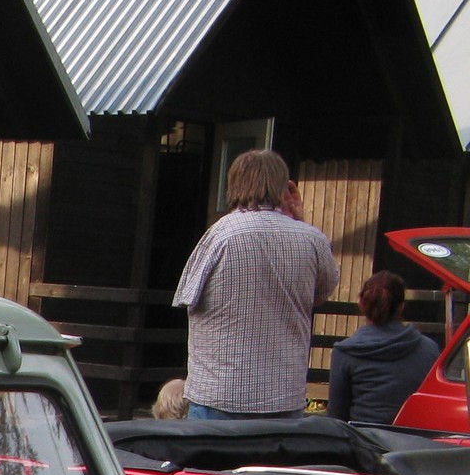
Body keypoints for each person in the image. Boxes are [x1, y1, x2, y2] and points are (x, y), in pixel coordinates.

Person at [172, 149, 338, 420]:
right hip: (283, 395)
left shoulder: (220, 234)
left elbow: (187, 298)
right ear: (283, 186)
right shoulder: (312, 239)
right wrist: (299, 221)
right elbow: (320, 294)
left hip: (220, 392)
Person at [327, 271, 438, 426]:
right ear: (401, 306)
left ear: (361, 304)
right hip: (413, 438)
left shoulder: (345, 353)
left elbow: (337, 417)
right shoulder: (429, 349)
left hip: (363, 438)